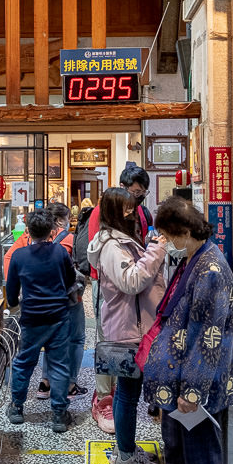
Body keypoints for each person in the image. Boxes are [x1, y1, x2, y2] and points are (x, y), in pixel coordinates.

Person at [139, 196, 233, 464]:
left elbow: (209, 337)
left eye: (169, 235)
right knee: (176, 448)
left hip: (198, 384)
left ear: (185, 231)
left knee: (202, 460)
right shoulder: (193, 257)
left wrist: (193, 390)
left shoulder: (211, 269)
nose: (166, 242)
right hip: (178, 376)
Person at [87, 187, 167, 464]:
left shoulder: (122, 241)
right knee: (127, 395)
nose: (133, 212)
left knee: (128, 394)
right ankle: (126, 458)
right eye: (127, 208)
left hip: (135, 326)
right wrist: (157, 251)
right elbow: (131, 281)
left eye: (133, 207)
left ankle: (127, 451)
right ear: (114, 212)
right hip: (127, 330)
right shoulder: (110, 246)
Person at [84, 165, 155, 433]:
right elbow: (109, 260)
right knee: (107, 338)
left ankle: (120, 388)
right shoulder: (106, 213)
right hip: (110, 286)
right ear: (124, 189)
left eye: (142, 194)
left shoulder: (138, 210)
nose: (137, 200)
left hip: (134, 289)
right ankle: (104, 397)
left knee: (126, 340)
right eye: (135, 193)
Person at [3, 203, 87, 400]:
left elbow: (10, 271)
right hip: (61, 308)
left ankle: (19, 403)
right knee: (69, 346)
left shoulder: (20, 251)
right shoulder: (63, 246)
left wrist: (17, 299)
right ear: (55, 225)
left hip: (31, 311)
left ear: (29, 230)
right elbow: (70, 278)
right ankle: (61, 405)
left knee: (24, 360)